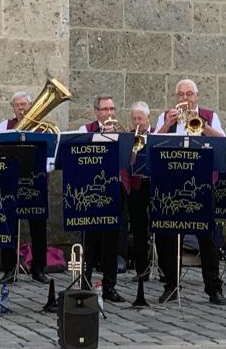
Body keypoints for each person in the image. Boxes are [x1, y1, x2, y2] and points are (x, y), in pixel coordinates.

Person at [153, 79, 226, 306]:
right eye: (181, 95)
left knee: (208, 239)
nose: (185, 99)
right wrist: (167, 124)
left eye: (189, 94)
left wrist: (201, 125)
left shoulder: (209, 115)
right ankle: (171, 286)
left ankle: (213, 289)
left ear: (197, 96)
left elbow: (222, 141)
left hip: (202, 184)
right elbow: (153, 144)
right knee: (168, 237)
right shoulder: (166, 116)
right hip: (172, 184)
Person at [0, 92, 50, 284]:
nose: (21, 108)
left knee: (38, 226)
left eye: (24, 104)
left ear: (31, 105)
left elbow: (51, 155)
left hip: (36, 182)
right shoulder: (4, 125)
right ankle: (9, 268)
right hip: (11, 182)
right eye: (17, 105)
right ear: (13, 107)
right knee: (9, 226)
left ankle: (39, 268)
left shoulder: (43, 128)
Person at [76, 95, 126, 302]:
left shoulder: (121, 132)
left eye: (112, 109)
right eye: (104, 109)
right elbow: (77, 156)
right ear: (96, 111)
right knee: (90, 240)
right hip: (91, 192)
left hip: (114, 189)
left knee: (111, 242)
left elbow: (129, 159)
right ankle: (85, 283)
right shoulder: (84, 130)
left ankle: (109, 287)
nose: (109, 113)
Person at [127, 101, 154, 283]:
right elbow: (127, 163)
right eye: (134, 118)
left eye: (140, 118)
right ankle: (142, 270)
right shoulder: (129, 136)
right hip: (137, 186)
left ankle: (163, 270)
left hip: (154, 186)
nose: (137, 122)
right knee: (138, 229)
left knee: (160, 228)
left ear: (148, 118)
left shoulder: (157, 134)